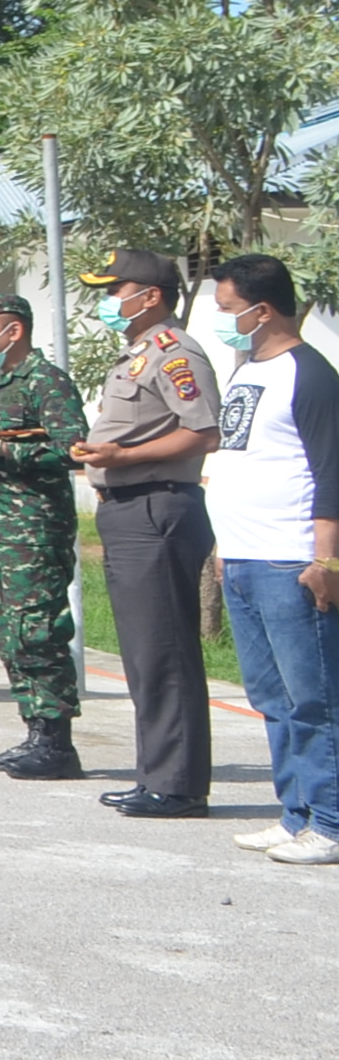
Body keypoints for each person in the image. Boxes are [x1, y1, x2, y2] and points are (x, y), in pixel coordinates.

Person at [199, 254, 339, 861]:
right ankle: (294, 812)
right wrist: (228, 550)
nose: (224, 320)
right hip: (246, 559)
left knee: (315, 699)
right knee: (272, 698)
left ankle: (330, 822)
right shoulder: (249, 370)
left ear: (263, 309)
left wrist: (326, 561)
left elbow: (332, 475)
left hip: (291, 560)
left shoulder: (311, 376)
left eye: (229, 310)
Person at [75, 250, 222, 820]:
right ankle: (159, 774)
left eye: (117, 290)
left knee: (163, 652)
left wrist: (122, 454)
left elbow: (202, 431)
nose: (109, 301)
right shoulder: (137, 355)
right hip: (129, 508)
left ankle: (178, 785)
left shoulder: (174, 352)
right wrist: (101, 457)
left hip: (157, 508)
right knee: (143, 652)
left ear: (151, 295)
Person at [0, 293, 89, 780]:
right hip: (0, 530)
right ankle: (35, 732)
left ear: (13, 331)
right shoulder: (8, 384)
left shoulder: (46, 380)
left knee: (38, 632)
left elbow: (73, 449)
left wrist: (4, 451)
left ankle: (57, 742)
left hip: (32, 531)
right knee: (10, 633)